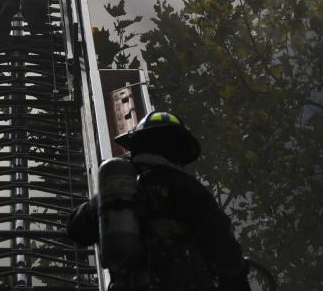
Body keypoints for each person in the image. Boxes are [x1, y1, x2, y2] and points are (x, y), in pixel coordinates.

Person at [66, 112, 250, 291]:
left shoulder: (120, 190)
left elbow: (76, 230)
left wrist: (105, 202)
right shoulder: (189, 190)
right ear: (177, 151)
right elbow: (225, 250)